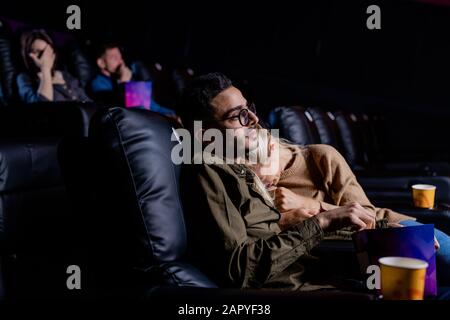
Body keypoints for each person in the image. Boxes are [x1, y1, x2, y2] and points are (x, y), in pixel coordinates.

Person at [180, 73, 450, 294]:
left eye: (249, 109)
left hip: (372, 239)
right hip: (325, 272)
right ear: (205, 135)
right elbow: (242, 268)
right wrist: (320, 222)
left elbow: (360, 216)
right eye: (236, 115)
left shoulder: (312, 157)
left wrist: (381, 228)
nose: (253, 119)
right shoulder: (214, 169)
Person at [90, 42, 177, 118]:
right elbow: (127, 110)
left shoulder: (130, 79)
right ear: (101, 63)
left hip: (152, 120)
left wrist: (170, 114)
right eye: (114, 58)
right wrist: (125, 82)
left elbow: (152, 105)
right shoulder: (98, 83)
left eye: (120, 57)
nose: (121, 61)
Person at [16, 29, 91, 103]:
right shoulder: (24, 78)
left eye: (47, 51)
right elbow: (41, 106)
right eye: (39, 52)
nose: (45, 56)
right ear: (28, 55)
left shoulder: (65, 75)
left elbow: (88, 103)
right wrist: (45, 68)